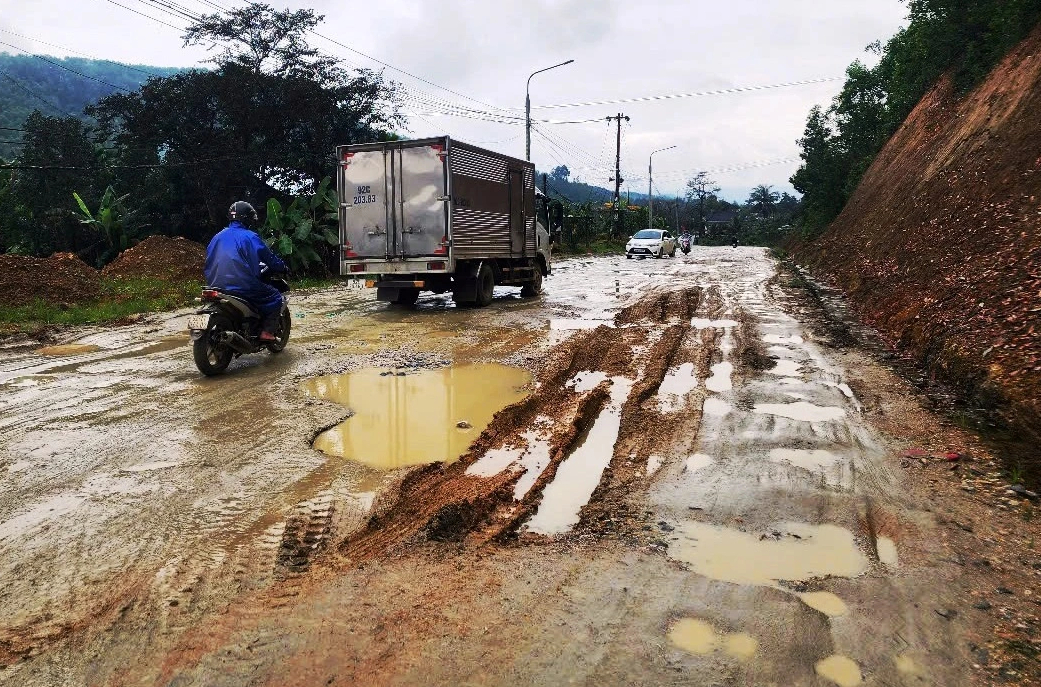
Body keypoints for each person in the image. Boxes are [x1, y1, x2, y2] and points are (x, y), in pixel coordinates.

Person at [204, 201, 288, 342]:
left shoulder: (217, 237)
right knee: (275, 297)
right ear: (247, 218)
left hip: (215, 284)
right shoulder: (250, 237)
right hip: (243, 286)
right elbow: (269, 258)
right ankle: (267, 332)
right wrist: (283, 267)